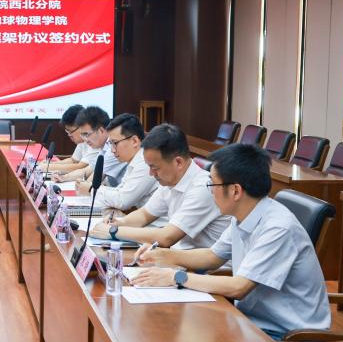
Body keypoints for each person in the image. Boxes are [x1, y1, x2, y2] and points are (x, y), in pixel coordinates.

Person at [132, 142, 329, 342]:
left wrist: (175, 277)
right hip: (254, 325)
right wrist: (164, 256)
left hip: (291, 340)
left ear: (235, 190)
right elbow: (212, 256)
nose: (210, 191)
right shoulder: (244, 214)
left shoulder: (278, 227)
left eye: (212, 184)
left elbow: (239, 287)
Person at [89, 124, 229, 251]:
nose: (151, 173)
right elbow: (145, 214)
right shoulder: (170, 180)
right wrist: (119, 223)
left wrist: (113, 232)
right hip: (179, 257)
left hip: (208, 268)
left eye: (154, 167)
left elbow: (167, 237)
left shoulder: (202, 188)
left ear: (178, 162)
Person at [77, 113, 155, 211]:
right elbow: (119, 191)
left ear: (134, 141)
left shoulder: (145, 162)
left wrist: (91, 189)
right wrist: (92, 188)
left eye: (115, 143)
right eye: (110, 144)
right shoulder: (134, 161)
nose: (112, 150)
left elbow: (123, 201)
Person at [57, 106, 126, 183]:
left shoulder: (113, 148)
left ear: (101, 131)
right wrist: (63, 177)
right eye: (83, 135)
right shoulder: (103, 148)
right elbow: (86, 171)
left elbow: (91, 184)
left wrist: (83, 184)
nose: (85, 139)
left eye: (87, 134)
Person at [45, 104, 90, 172]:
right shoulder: (82, 141)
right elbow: (73, 160)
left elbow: (80, 166)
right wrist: (51, 164)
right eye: (67, 131)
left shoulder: (94, 140)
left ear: (81, 126)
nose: (69, 135)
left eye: (70, 131)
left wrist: (48, 167)